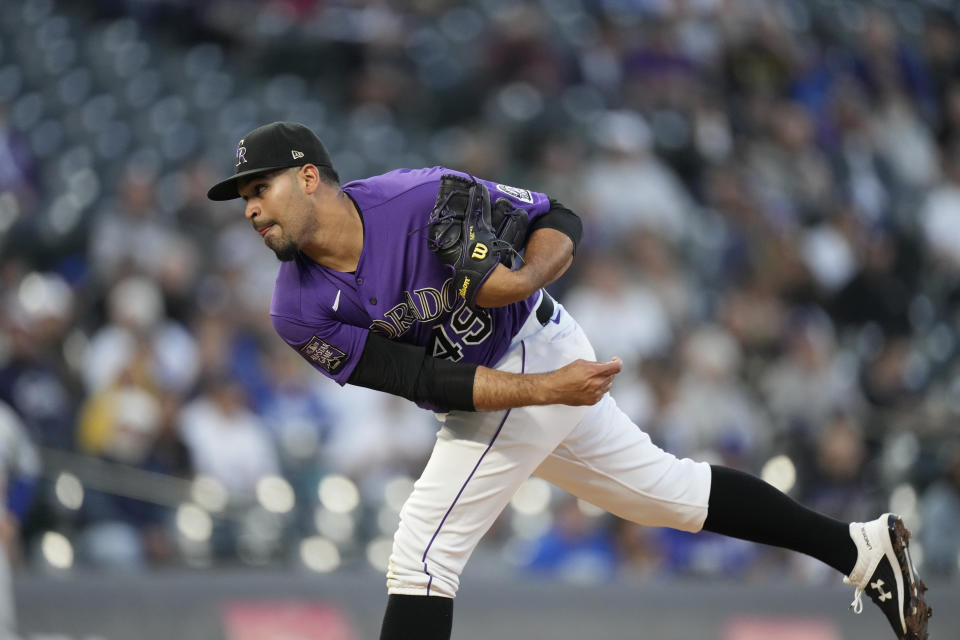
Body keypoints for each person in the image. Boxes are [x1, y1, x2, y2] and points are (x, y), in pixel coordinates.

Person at [206, 121, 931, 640]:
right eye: (242, 198)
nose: (249, 208)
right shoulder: (296, 308)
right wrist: (546, 394)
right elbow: (422, 375)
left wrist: (521, 274)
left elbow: (559, 216)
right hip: (500, 382)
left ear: (308, 177)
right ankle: (860, 549)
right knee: (664, 495)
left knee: (422, 552)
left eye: (258, 187)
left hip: (535, 337)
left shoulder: (418, 199)